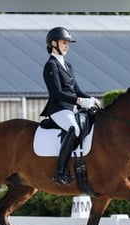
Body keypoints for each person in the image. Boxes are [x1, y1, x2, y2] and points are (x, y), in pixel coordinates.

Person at [40, 27, 100, 185]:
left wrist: (91, 99)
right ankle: (60, 172)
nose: (67, 46)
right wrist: (80, 102)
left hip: (72, 108)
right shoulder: (50, 66)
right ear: (53, 43)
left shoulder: (68, 66)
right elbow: (57, 93)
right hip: (58, 108)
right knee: (75, 129)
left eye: (68, 43)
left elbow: (77, 90)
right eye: (64, 42)